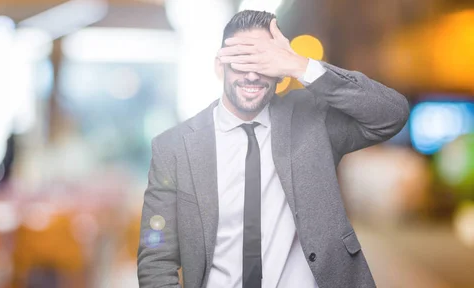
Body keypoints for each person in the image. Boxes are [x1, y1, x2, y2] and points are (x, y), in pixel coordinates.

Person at [137, 10, 409, 288]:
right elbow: (157, 258)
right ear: (220, 66)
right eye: (242, 60)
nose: (252, 75)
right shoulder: (173, 148)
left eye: (265, 62)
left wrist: (302, 66)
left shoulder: (313, 120)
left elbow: (391, 114)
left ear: (280, 72)